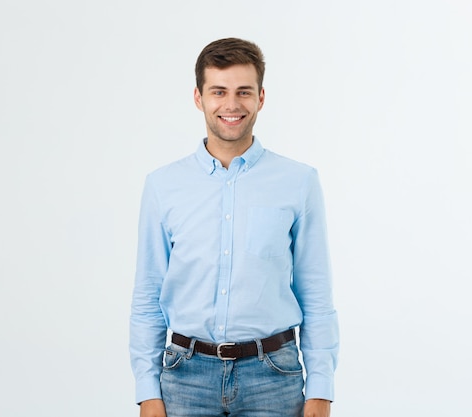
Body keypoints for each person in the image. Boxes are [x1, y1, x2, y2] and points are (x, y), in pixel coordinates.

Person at [130, 37, 339, 417]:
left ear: (261, 97)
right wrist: (147, 392)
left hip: (274, 377)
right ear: (199, 97)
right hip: (184, 377)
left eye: (243, 91)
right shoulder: (162, 186)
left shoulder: (299, 181)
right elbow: (148, 297)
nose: (231, 104)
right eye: (219, 91)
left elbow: (317, 296)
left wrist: (321, 391)